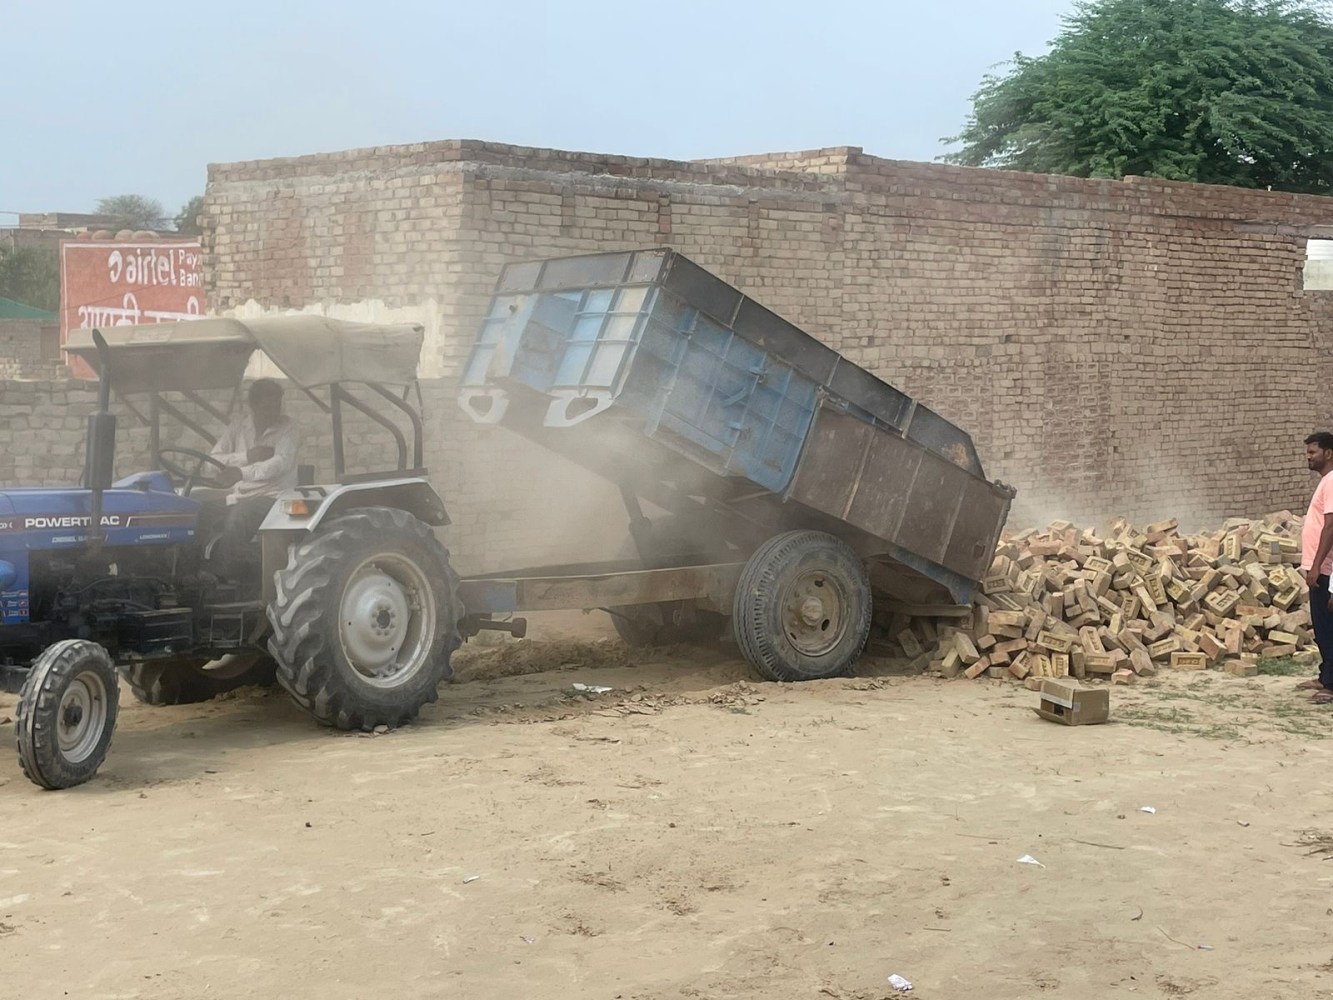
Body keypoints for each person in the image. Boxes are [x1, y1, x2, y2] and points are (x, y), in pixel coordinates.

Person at [201, 379, 300, 585]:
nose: (273, 412)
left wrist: (241, 473)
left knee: (239, 516)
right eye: (267, 407)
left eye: (277, 406)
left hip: (276, 497)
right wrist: (247, 456)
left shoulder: (289, 429)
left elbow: (280, 463)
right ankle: (190, 573)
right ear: (253, 405)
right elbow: (212, 462)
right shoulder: (238, 427)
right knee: (200, 511)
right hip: (239, 495)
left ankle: (225, 578)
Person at [1300, 432, 1333, 702]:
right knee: (1322, 627)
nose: (1308, 457)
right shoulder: (1326, 482)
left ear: (1328, 453)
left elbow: (1331, 526)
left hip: (1325, 570)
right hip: (1319, 569)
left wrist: (1316, 565)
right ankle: (1325, 676)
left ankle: (1331, 685)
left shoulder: (1332, 481)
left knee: (1328, 626)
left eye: (1313, 452)